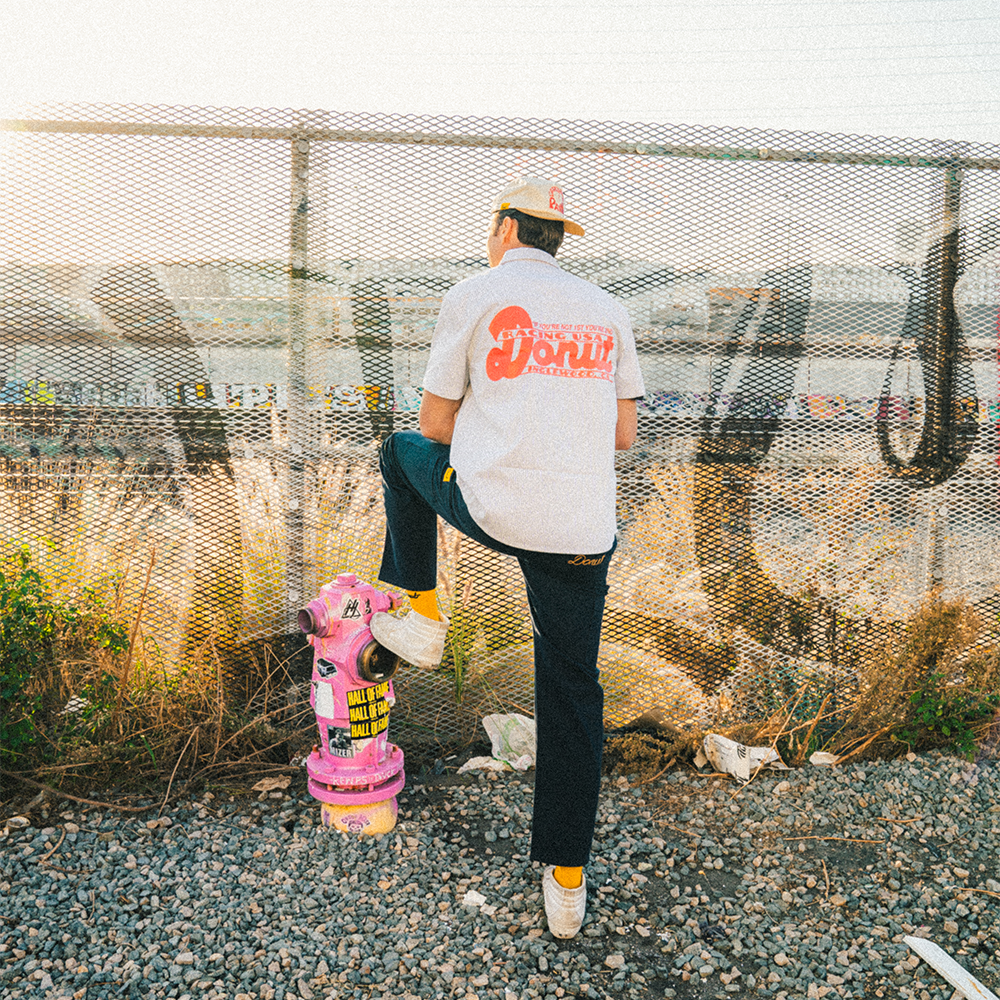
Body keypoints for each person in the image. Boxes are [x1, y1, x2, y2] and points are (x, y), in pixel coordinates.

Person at [370, 176, 645, 938]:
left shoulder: (476, 293)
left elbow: (432, 423)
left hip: (494, 507)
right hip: (580, 535)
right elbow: (621, 437)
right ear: (560, 240)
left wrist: (504, 429)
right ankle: (566, 880)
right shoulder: (610, 311)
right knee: (570, 692)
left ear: (502, 228)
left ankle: (420, 609)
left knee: (398, 454)